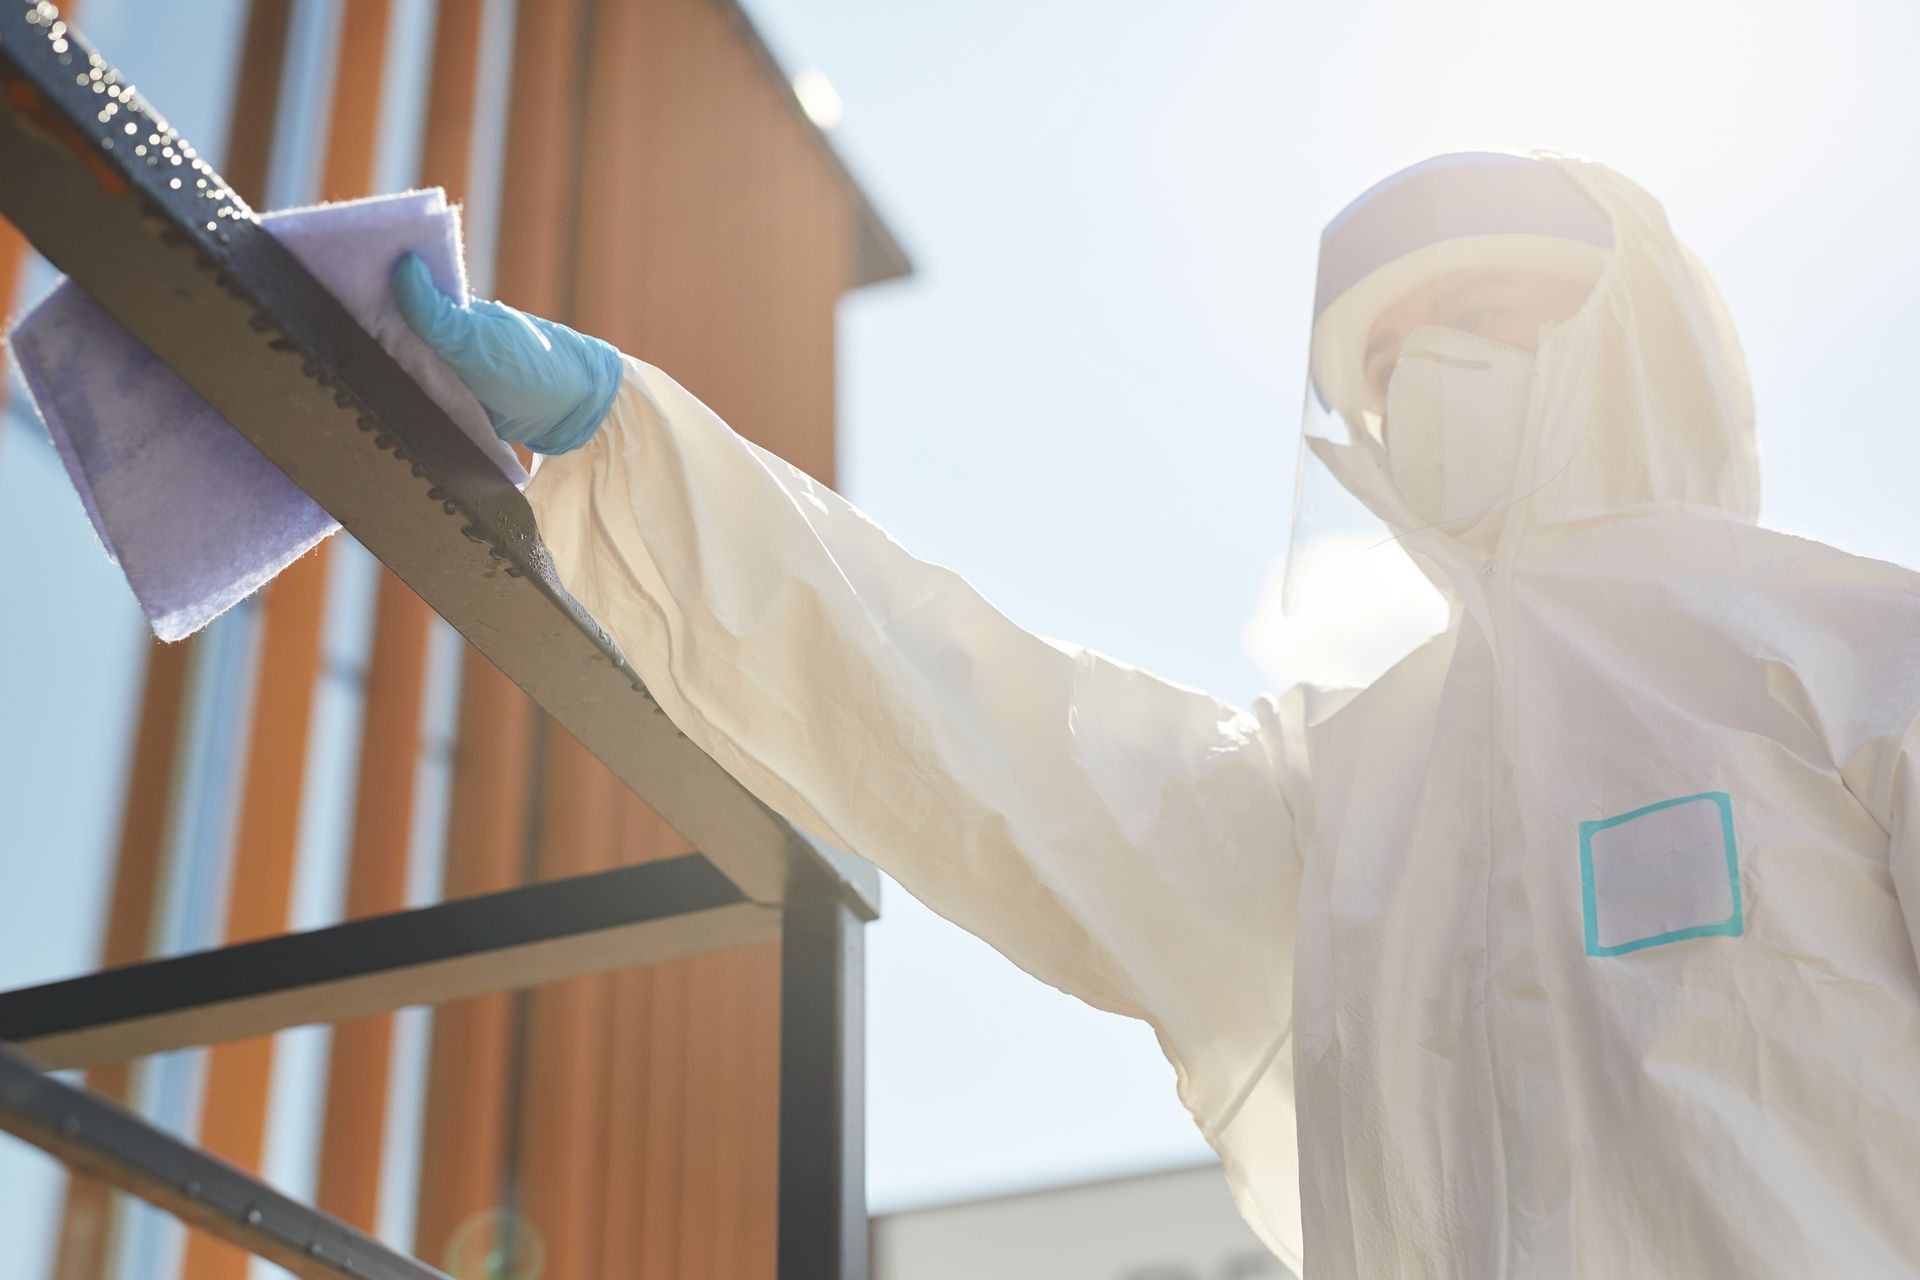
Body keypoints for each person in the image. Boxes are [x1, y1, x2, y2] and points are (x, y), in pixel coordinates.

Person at [393, 151, 1920, 1277]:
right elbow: (990, 734)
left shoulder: (1856, 654)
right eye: (1389, 358)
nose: (1433, 370)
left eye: (1490, 307)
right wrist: (637, 450)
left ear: (1632, 330)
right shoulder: (1349, 788)